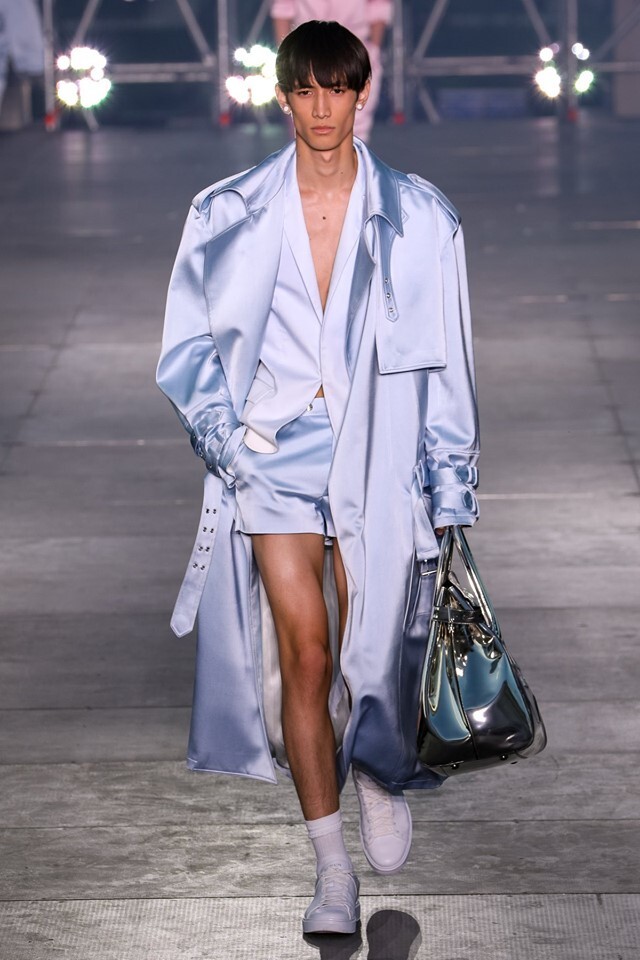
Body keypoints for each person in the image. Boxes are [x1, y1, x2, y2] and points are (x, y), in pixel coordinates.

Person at [157, 20, 479, 936]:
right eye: (306, 90)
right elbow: (187, 345)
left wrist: (451, 488)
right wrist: (230, 445)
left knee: (370, 654)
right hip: (274, 453)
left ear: (361, 92)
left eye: (337, 88)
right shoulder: (226, 211)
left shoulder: (420, 215)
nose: (322, 107)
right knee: (304, 655)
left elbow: (449, 360)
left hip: (379, 454)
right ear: (284, 97)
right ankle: (330, 871)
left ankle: (376, 770)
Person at [271, 0, 391, 141]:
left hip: (354, 52)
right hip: (305, 53)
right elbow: (282, 8)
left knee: (355, 129)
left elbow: (378, 6)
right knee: (305, 132)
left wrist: (373, 50)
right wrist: (285, 58)